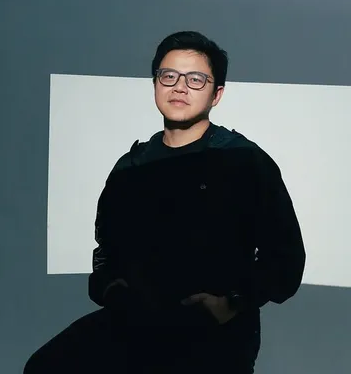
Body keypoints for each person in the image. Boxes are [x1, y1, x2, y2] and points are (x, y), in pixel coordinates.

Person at [24, 31, 306, 374]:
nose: (180, 87)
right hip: (134, 325)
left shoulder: (244, 161)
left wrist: (231, 303)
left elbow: (286, 259)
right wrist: (112, 290)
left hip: (211, 332)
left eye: (196, 79)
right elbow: (106, 251)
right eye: (169, 76)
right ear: (156, 84)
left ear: (217, 94)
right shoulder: (131, 166)